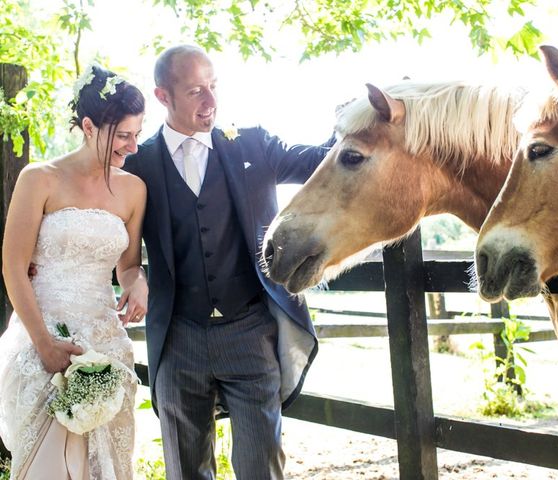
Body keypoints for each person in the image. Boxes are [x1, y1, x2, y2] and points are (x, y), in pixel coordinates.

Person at [124, 44, 332, 479]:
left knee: (262, 464)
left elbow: (320, 160)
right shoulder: (138, 164)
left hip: (249, 330)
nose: (211, 101)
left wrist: (357, 122)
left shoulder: (251, 143)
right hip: (178, 336)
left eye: (214, 86)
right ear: (163, 96)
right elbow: (108, 232)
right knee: (186, 468)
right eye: (196, 90)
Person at [0, 64, 148, 479]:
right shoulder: (39, 179)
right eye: (123, 135)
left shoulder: (134, 190)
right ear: (88, 125)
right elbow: (13, 265)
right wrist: (45, 346)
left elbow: (129, 265)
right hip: (43, 336)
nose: (133, 146)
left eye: (137, 134)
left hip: (105, 342)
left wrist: (140, 283)